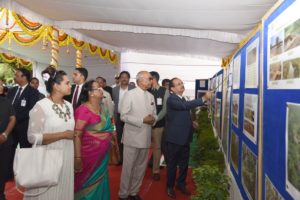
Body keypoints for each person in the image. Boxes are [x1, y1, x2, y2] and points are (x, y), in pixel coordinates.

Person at [26, 66, 75, 199]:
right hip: (47, 158)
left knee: (62, 191)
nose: (70, 85)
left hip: (66, 156)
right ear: (56, 86)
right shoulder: (41, 106)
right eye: (67, 83)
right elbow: (32, 137)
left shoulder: (69, 106)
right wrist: (62, 135)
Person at [166, 78, 211, 199]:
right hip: (175, 138)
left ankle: (180, 183)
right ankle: (169, 186)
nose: (182, 85)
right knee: (172, 164)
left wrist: (191, 122)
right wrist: (203, 99)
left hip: (185, 137)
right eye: (178, 84)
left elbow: (182, 113)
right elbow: (184, 106)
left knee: (184, 163)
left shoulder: (182, 97)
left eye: (182, 83)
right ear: (172, 89)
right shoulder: (171, 99)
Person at [118, 71, 157, 200]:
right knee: (128, 167)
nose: (151, 81)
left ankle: (134, 192)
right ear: (140, 80)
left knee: (141, 167)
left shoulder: (151, 96)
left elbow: (154, 114)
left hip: (146, 137)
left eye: (151, 79)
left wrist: (154, 119)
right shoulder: (130, 94)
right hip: (132, 137)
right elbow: (123, 116)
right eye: (149, 79)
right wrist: (142, 120)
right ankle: (123, 194)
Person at [74, 80, 114, 200]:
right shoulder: (83, 110)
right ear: (91, 93)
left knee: (101, 179)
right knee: (86, 182)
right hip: (87, 156)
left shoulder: (103, 108)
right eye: (98, 88)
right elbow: (76, 135)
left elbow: (109, 127)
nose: (101, 89)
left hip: (102, 156)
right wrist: (77, 158)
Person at [6, 68, 39, 179]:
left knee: (25, 151)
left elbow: (31, 110)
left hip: (24, 127)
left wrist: (14, 119)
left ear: (24, 77)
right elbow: (7, 107)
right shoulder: (12, 90)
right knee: (9, 151)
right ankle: (8, 174)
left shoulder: (33, 92)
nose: (15, 77)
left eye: (17, 75)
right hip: (10, 128)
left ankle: (26, 174)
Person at [148, 71, 169, 181]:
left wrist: (155, 119)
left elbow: (165, 109)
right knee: (143, 147)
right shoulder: (146, 90)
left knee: (157, 147)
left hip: (158, 125)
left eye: (148, 79)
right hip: (145, 124)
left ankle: (155, 171)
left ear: (153, 79)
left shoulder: (164, 91)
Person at [112, 71, 135, 164]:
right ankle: (121, 158)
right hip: (119, 117)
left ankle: (130, 159)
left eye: (126, 77)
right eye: (122, 77)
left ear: (129, 79)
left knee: (130, 139)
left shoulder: (133, 89)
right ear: (120, 79)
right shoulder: (115, 90)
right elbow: (114, 103)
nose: (124, 78)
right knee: (119, 138)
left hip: (130, 117)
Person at [0, 82, 16, 200]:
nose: (2, 87)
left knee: (3, 170)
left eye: (1, 85)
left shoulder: (6, 101)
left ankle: (1, 194)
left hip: (5, 142)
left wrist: (5, 134)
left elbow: (12, 118)